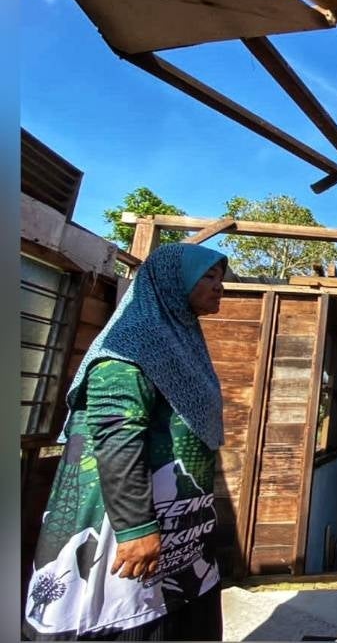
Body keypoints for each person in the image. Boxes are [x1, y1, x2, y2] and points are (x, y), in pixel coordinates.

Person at [23, 243, 228, 641]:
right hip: (124, 534)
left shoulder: (181, 339)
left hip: (181, 539)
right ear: (170, 283)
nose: (219, 287)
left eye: (220, 278)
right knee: (126, 621)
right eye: (208, 277)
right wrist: (136, 529)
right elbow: (116, 436)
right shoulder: (130, 345)